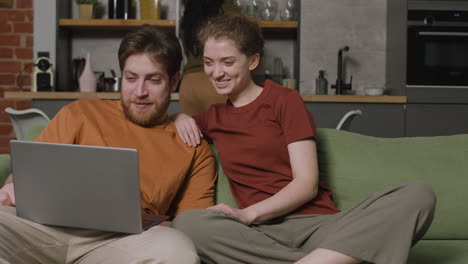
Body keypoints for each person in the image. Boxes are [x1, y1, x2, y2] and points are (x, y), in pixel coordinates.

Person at [171, 14, 436, 264]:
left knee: (418, 194)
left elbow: (306, 184)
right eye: (208, 62)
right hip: (260, 236)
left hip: (318, 226)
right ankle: (337, 258)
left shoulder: (284, 101)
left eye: (227, 62)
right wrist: (180, 118)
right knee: (188, 224)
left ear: (252, 61)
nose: (216, 73)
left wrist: (246, 214)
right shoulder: (213, 118)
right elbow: (168, 126)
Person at [0, 25, 216, 264]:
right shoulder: (81, 113)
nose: (140, 91)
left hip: (121, 244)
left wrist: (144, 221)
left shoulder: (192, 147)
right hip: (42, 232)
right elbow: (22, 180)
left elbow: (190, 226)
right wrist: (10, 191)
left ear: (174, 81)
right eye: (131, 78)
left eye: (153, 80)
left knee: (179, 252)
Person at [178, 0, 240, 116]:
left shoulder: (188, 15)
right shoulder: (227, 9)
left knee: (191, 132)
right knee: (225, 132)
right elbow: (244, 41)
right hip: (218, 80)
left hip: (189, 84)